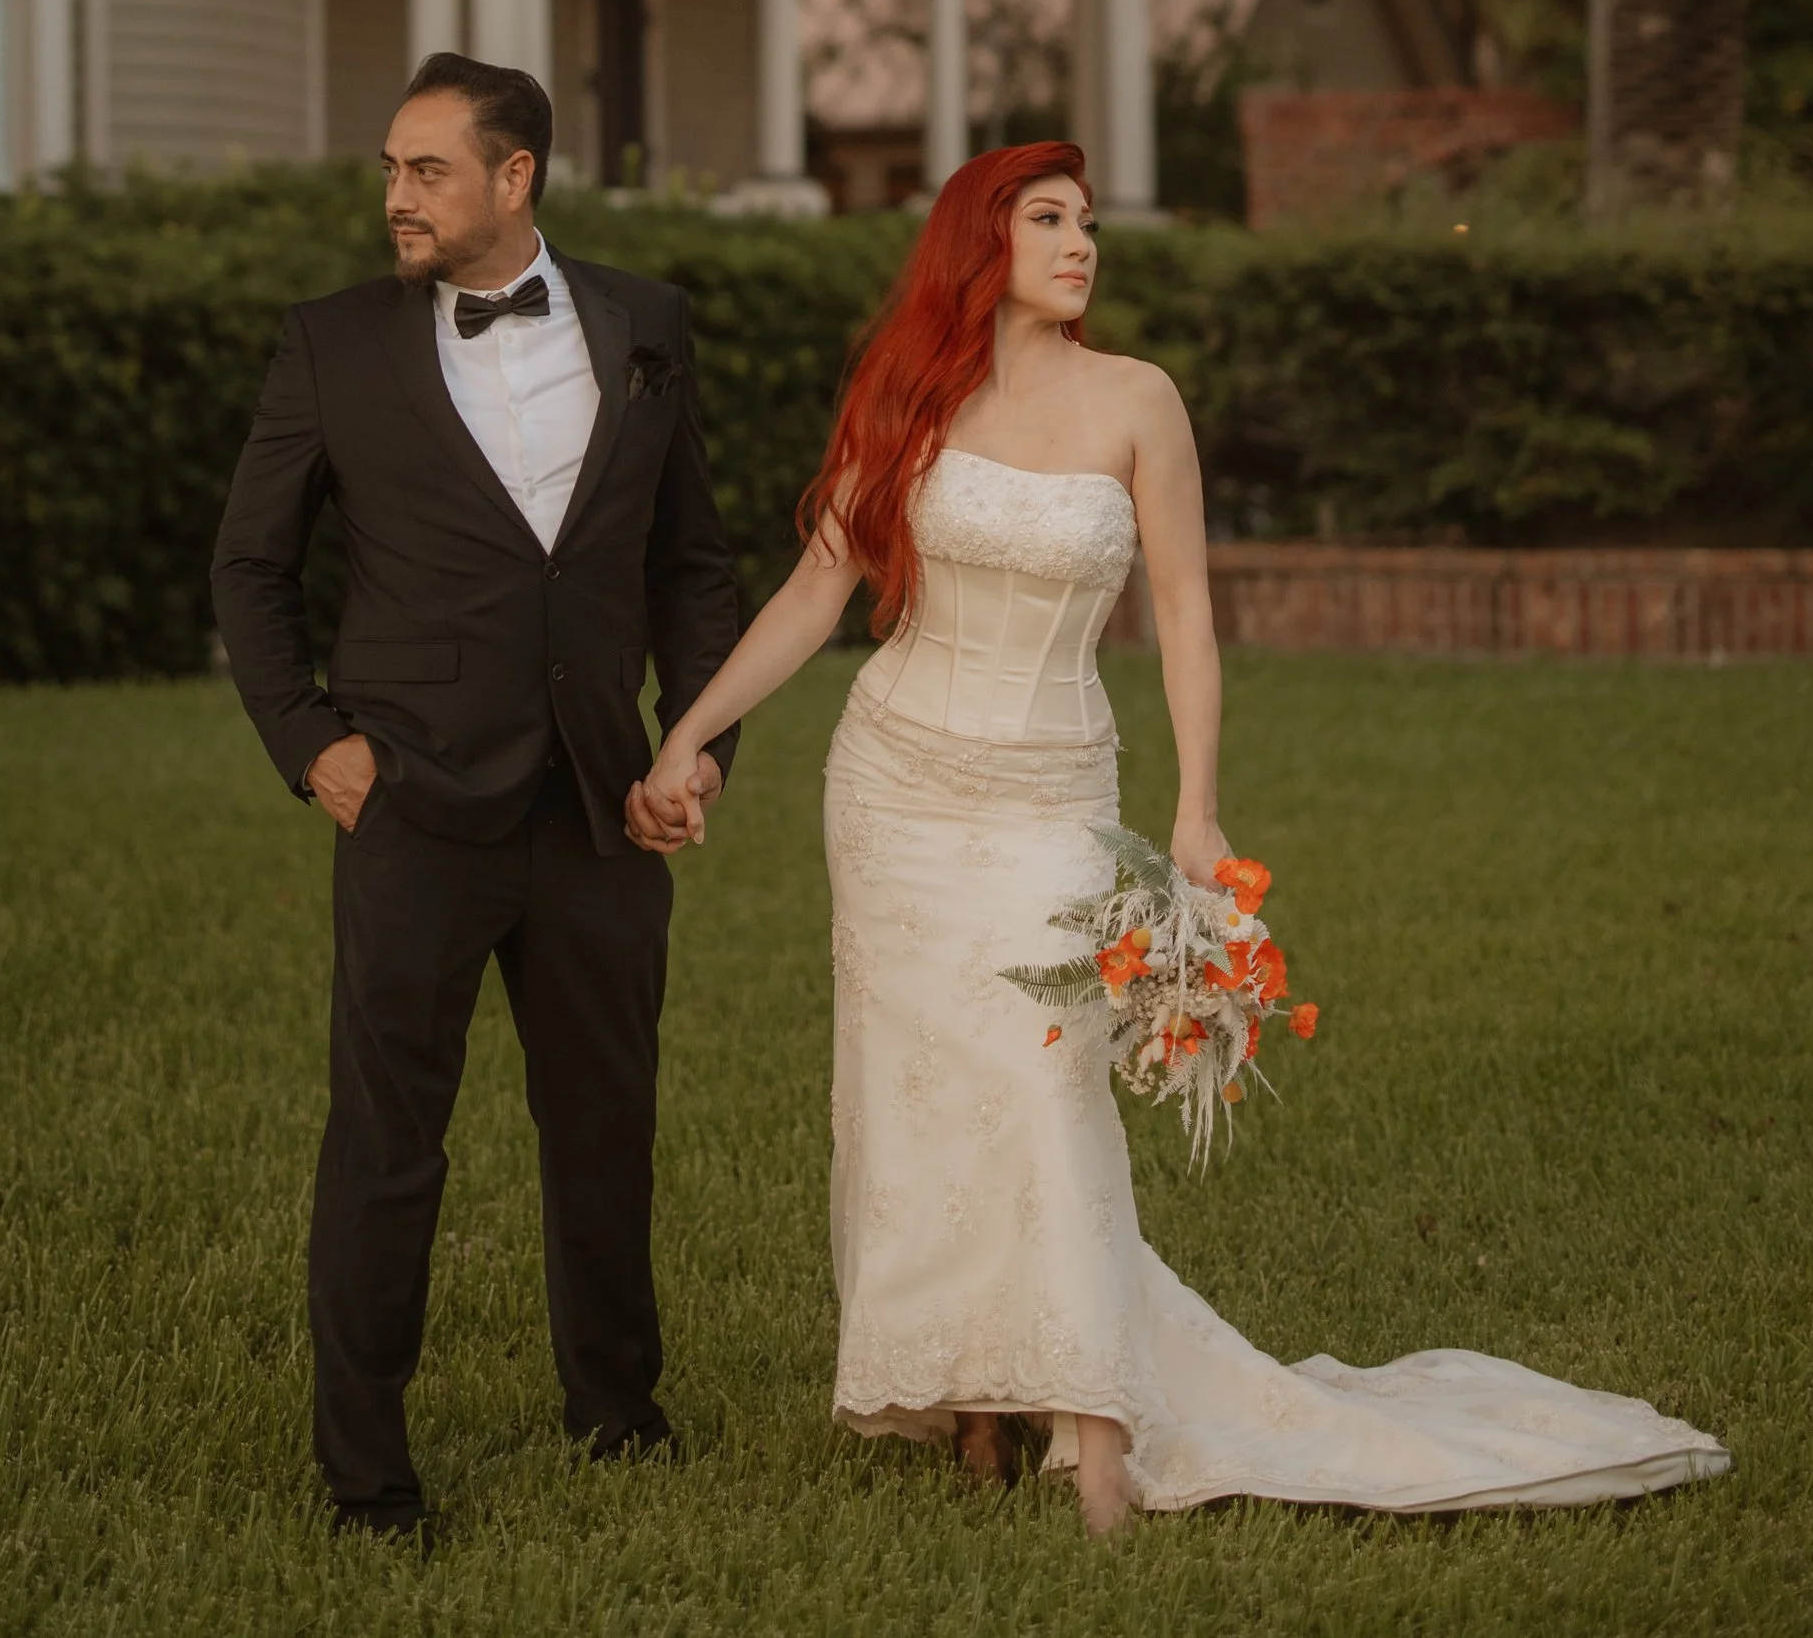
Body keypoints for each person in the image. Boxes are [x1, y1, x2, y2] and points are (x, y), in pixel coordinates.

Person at [630, 140, 1731, 1533]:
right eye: (1048, 219)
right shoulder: (911, 394)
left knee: (1047, 1093)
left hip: (1051, 796)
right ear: (982, 241)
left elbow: (1191, 615)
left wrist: (1195, 809)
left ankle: (1098, 1427)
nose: (1082, 242)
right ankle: (971, 1399)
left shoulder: (1140, 402)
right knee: (918, 1094)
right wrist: (690, 734)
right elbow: (814, 591)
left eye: (1089, 221)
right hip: (896, 790)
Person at [212, 53, 740, 1542]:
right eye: (389, 168)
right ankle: (367, 1472)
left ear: (516, 179)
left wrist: (694, 745)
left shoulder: (648, 328)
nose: (395, 196)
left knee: (605, 1126)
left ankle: (617, 1410)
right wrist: (312, 740)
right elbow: (250, 567)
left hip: (601, 809)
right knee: (387, 1143)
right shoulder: (332, 347)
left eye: (425, 169)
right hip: (415, 808)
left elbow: (692, 568)